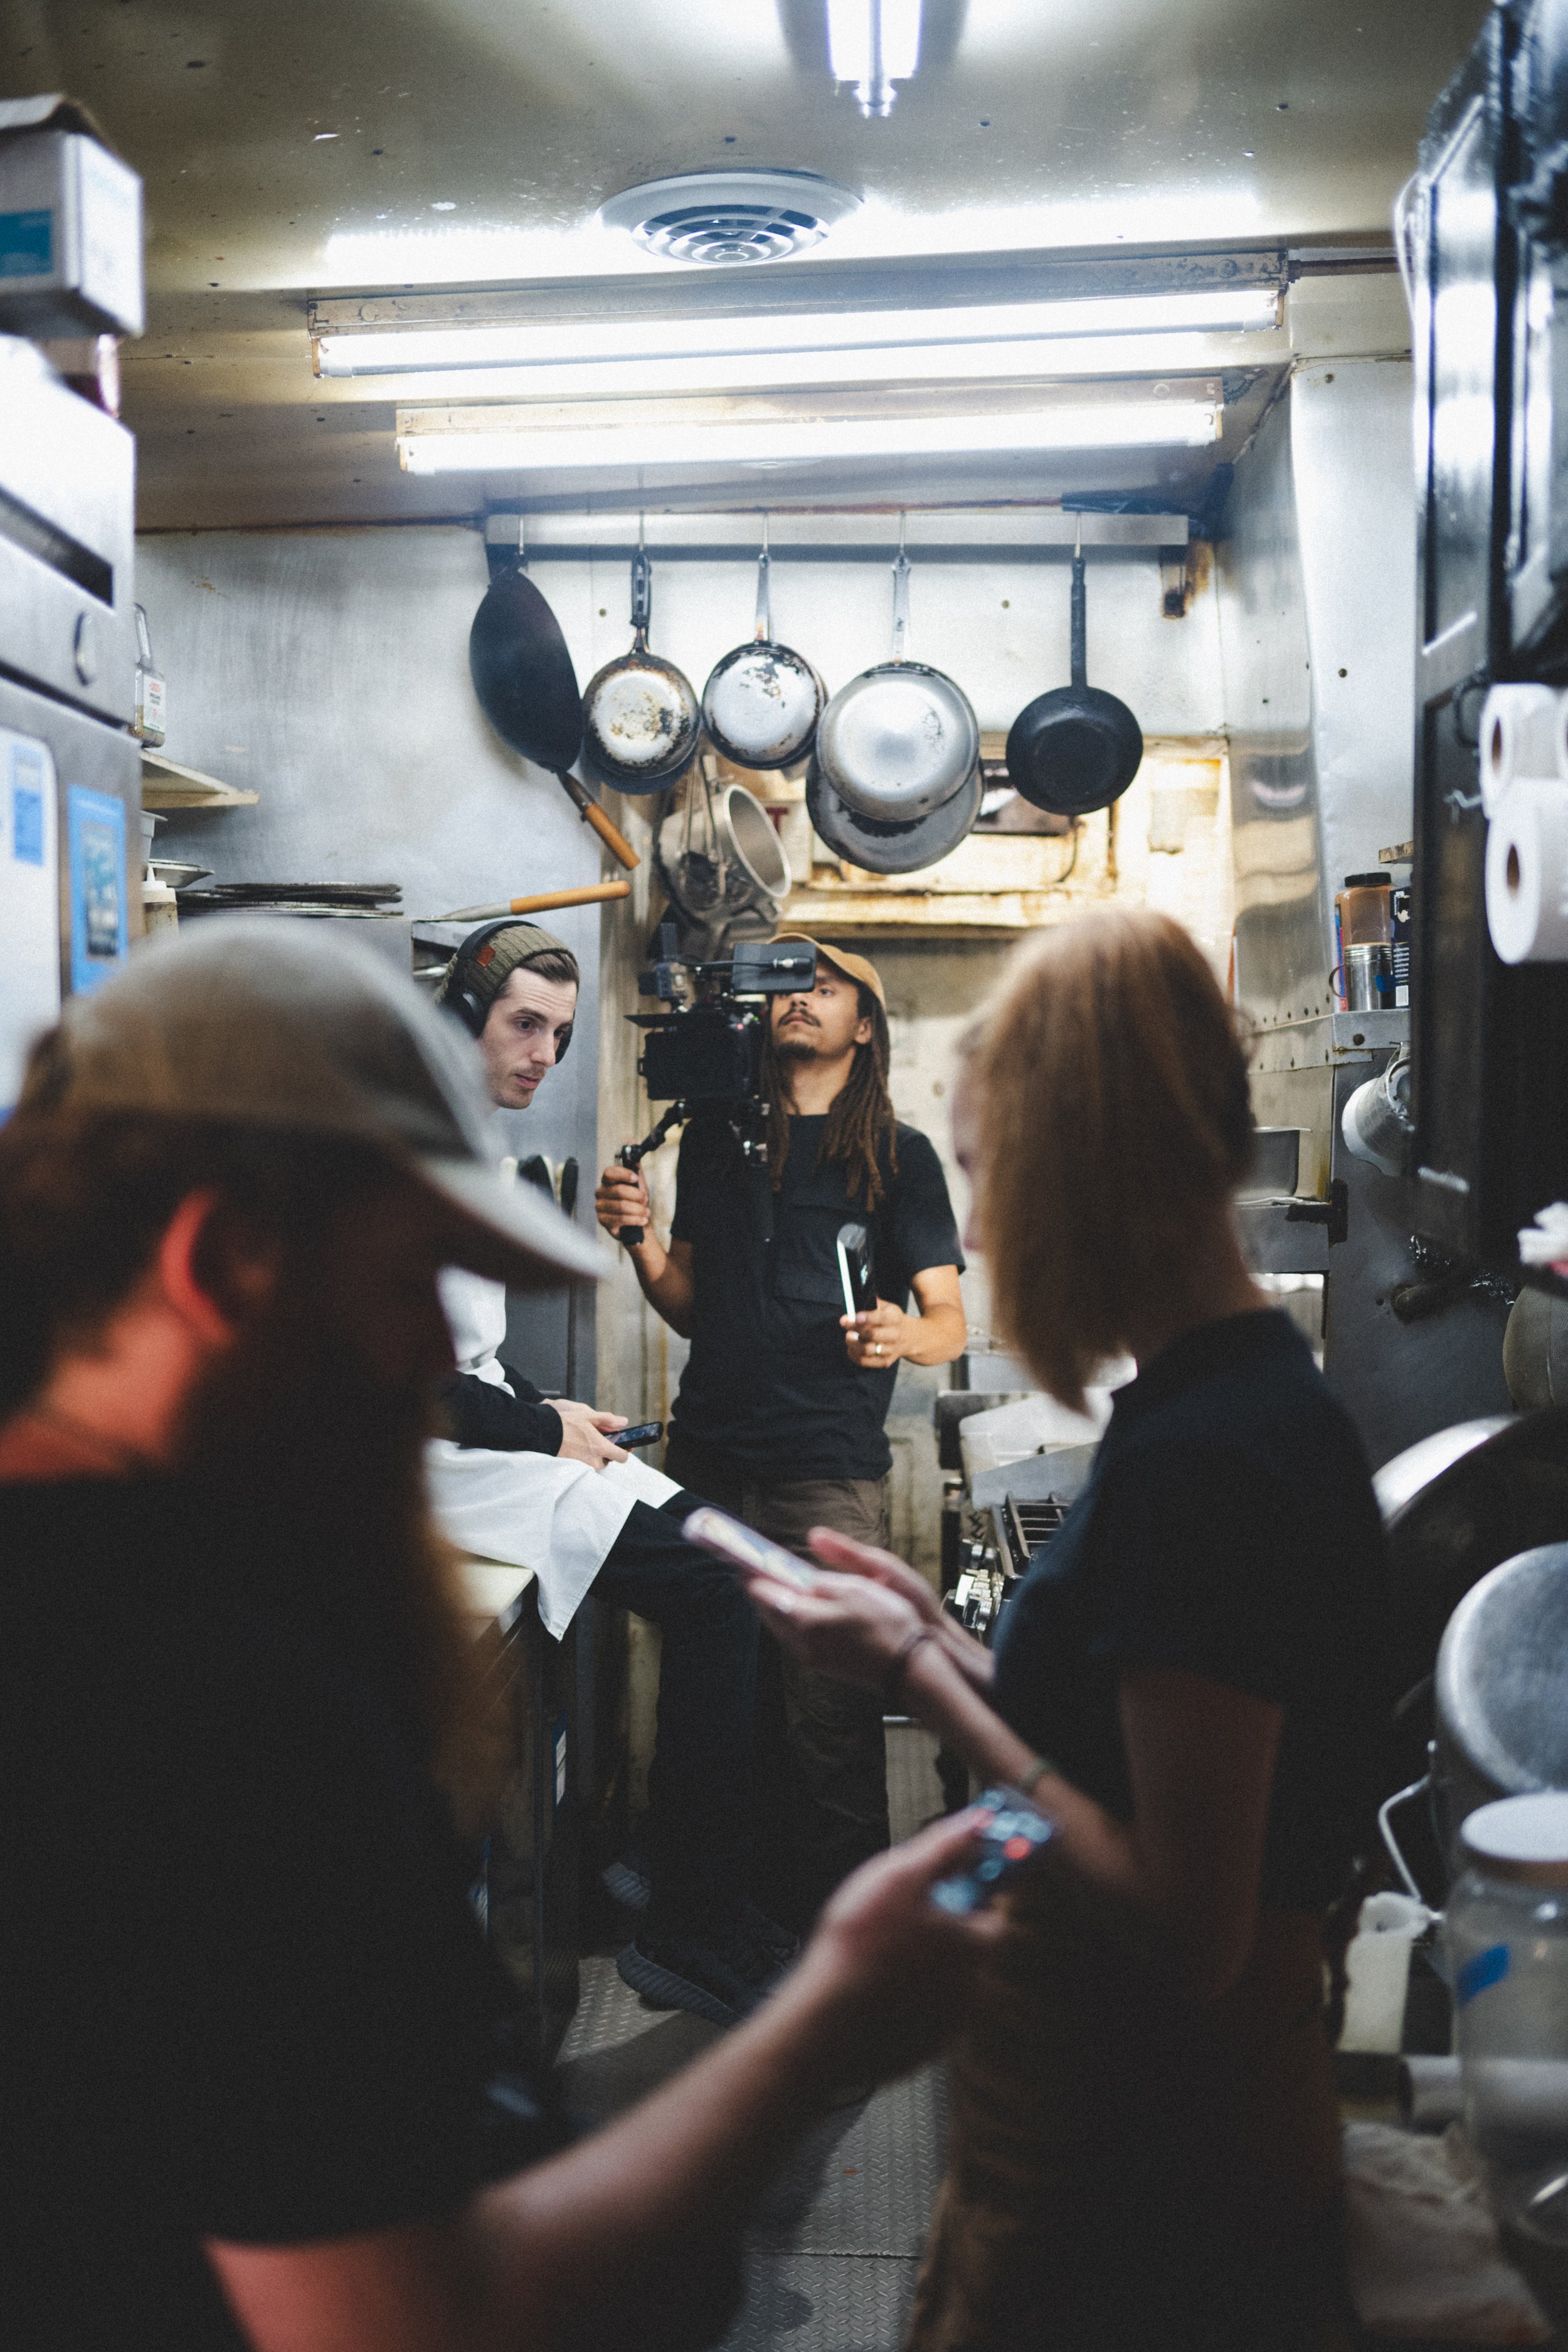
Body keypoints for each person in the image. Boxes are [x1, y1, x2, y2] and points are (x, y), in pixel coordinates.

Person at [0, 917, 1001, 2352]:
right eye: (402, 1283)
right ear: (217, 1261)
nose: (436, 1360)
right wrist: (824, 2024)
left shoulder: (155, 1582)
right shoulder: (208, 1709)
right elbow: (423, 2313)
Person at [726, 907, 1389, 2352]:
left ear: (1083, 1167)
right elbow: (1109, 1758)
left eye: (984, 1175)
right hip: (1107, 2128)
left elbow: (1182, 1924)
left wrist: (918, 1675)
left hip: (1154, 2170)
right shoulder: (1210, 1407)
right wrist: (937, 1635)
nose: (971, 1230)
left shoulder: (1211, 1459)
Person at [426, 918, 792, 2027]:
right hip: (439, 1467)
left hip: (490, 1435)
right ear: (466, 1013)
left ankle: (682, 1873)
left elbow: (470, 1354)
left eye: (561, 1033)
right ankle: (686, 1921)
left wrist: (549, 1406)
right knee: (719, 1587)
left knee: (740, 1563)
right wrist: (540, 1432)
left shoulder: (470, 1141)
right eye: (523, 1024)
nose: (544, 1053)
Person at [595, 937, 967, 1926]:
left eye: (827, 986)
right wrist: (639, 1240)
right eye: (788, 985)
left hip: (824, 1480)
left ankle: (846, 1942)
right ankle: (714, 1931)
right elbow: (689, 1304)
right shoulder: (716, 1143)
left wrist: (900, 1333)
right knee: (714, 1714)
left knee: (828, 1723)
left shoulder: (900, 1155)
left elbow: (947, 1320)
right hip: (710, 1462)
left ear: (866, 1026)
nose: (801, 997)